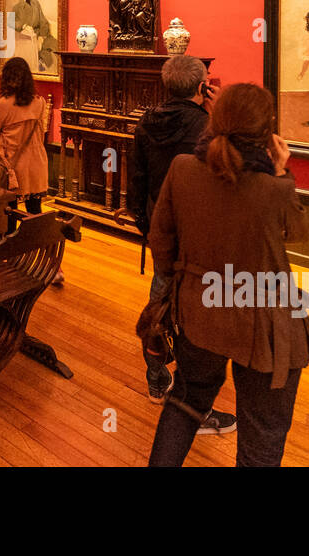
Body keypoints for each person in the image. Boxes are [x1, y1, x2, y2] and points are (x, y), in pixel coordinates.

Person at [146, 83, 309, 467]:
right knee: (263, 428)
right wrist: (283, 172)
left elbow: (160, 237)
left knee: (186, 400)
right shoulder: (272, 186)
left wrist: (177, 286)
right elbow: (300, 233)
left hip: (198, 308)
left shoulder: (183, 167)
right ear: (266, 130)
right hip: (261, 318)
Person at [125, 54, 237, 435]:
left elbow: (136, 177)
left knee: (160, 297)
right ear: (200, 85)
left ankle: (156, 376)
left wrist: (145, 222)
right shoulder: (206, 126)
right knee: (194, 307)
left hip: (160, 219)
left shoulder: (145, 122)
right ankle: (193, 405)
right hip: (197, 223)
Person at [0, 57, 49, 219]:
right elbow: (41, 134)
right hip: (37, 162)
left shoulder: (3, 104)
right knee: (34, 211)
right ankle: (34, 243)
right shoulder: (40, 102)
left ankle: (7, 244)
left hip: (12, 164)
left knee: (8, 213)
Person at [9, 0, 57, 72]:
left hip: (40, 37)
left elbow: (43, 22)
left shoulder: (36, 4)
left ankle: (43, 62)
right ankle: (40, 63)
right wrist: (23, 26)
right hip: (28, 39)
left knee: (55, 45)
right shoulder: (16, 8)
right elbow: (10, 22)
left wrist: (42, 37)